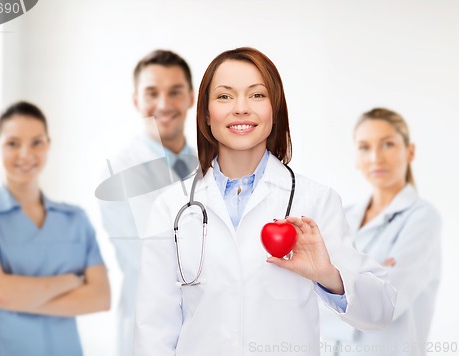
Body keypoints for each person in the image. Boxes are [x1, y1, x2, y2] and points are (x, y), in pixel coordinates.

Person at [133, 47, 397, 356]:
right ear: (205, 113)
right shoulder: (172, 207)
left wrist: (328, 276)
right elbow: (153, 330)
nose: (241, 108)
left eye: (257, 95)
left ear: (275, 109)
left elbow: (381, 310)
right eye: (224, 97)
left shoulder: (315, 201)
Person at [0, 101, 111, 356]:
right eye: (13, 143)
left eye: (36, 142)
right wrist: (68, 282)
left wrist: (17, 297)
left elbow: (100, 297)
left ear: (48, 145)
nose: (26, 154)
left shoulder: (75, 219)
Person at [96, 49, 197, 356]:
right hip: (149, 330)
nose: (164, 104)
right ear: (136, 100)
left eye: (175, 92)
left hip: (207, 328)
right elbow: (147, 260)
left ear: (191, 97)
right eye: (152, 93)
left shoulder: (211, 168)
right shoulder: (118, 173)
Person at [320, 108, 442, 356]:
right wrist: (356, 286)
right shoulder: (343, 215)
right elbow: (306, 302)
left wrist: (328, 285)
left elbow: (385, 306)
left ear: (410, 151)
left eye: (387, 144)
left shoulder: (422, 218)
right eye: (364, 147)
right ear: (355, 156)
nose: (375, 157)